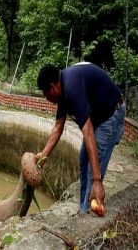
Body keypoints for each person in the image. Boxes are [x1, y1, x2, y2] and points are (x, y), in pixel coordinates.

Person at [35, 62, 126, 214]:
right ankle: (83, 208)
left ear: (53, 87)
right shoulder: (63, 91)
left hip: (111, 115)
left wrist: (97, 181)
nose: (46, 98)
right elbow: (58, 128)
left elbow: (88, 131)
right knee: (83, 162)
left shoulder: (71, 88)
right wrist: (43, 156)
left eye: (46, 94)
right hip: (97, 118)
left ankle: (87, 211)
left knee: (93, 171)